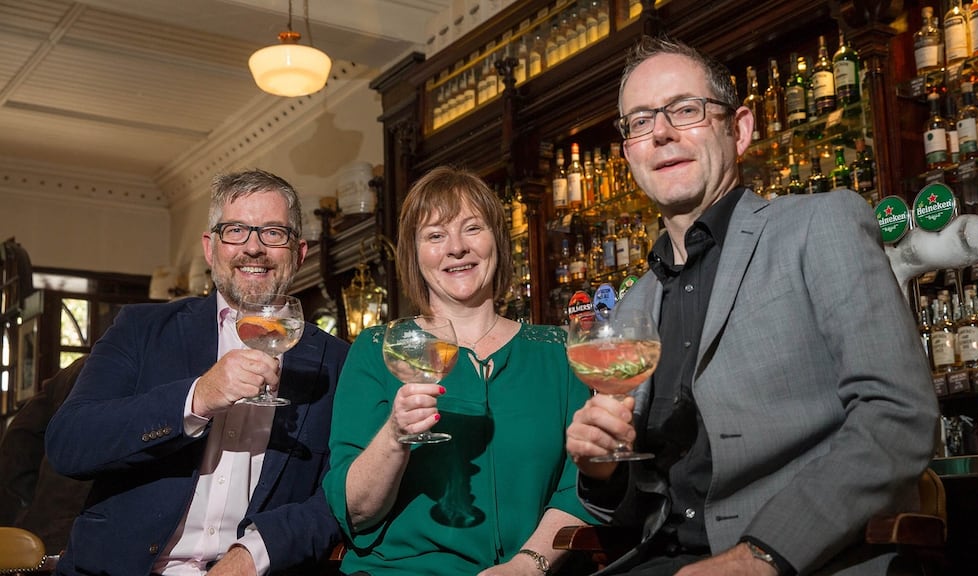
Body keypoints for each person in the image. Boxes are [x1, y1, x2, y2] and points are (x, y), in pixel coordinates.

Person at [564, 37, 938, 575]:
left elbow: (898, 415)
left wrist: (761, 555)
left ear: (738, 129)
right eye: (641, 122)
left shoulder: (819, 225)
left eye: (686, 110)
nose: (662, 133)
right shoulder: (633, 307)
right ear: (629, 153)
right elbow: (641, 500)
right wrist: (602, 470)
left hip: (803, 560)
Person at [45, 169, 348, 576]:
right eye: (236, 230)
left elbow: (338, 495)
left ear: (299, 252)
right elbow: (69, 444)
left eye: (273, 232)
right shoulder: (141, 329)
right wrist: (197, 398)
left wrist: (253, 555)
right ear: (210, 248)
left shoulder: (336, 361)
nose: (254, 248)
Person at [324, 166, 596, 575]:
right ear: (414, 254)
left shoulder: (558, 352)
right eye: (435, 236)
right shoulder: (378, 350)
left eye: (472, 229)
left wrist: (528, 564)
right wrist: (395, 437)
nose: (456, 248)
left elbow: (583, 485)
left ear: (498, 242)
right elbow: (356, 511)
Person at [0, 355, 91, 555]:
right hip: (70, 534)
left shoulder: (79, 368)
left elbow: (18, 439)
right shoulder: (106, 369)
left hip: (38, 529)